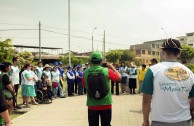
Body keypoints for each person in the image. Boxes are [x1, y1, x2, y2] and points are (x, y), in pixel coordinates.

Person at [141, 38, 194, 126]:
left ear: (162, 52)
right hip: (184, 121)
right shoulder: (190, 73)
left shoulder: (152, 71)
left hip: (159, 121)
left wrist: (145, 121)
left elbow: (146, 100)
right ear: (179, 53)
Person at [82, 51, 121, 126]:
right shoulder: (107, 71)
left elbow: (85, 85)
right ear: (101, 61)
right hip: (106, 103)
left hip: (92, 104)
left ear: (91, 61)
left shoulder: (86, 72)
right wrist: (112, 67)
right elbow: (119, 77)